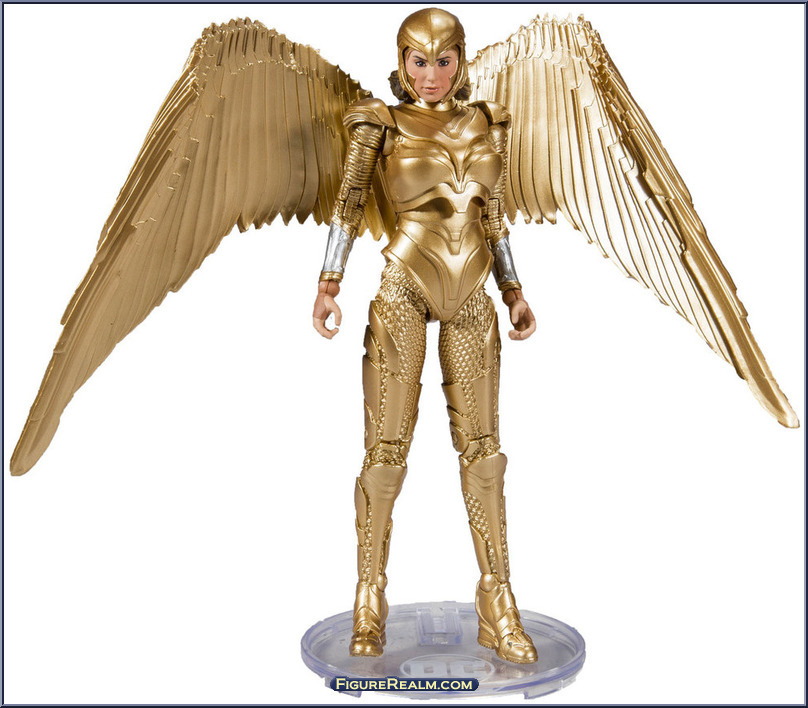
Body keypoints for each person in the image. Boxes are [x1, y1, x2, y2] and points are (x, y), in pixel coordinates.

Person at [312, 8, 538, 664]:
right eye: (419, 60)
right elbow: (348, 204)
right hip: (403, 286)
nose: (432, 74)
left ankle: (497, 599)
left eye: (443, 60)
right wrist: (328, 282)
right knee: (386, 453)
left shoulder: (486, 122)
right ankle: (369, 594)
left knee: (485, 454)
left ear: (461, 60)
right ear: (402, 61)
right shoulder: (378, 123)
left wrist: (514, 289)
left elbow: (493, 215)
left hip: (472, 292)